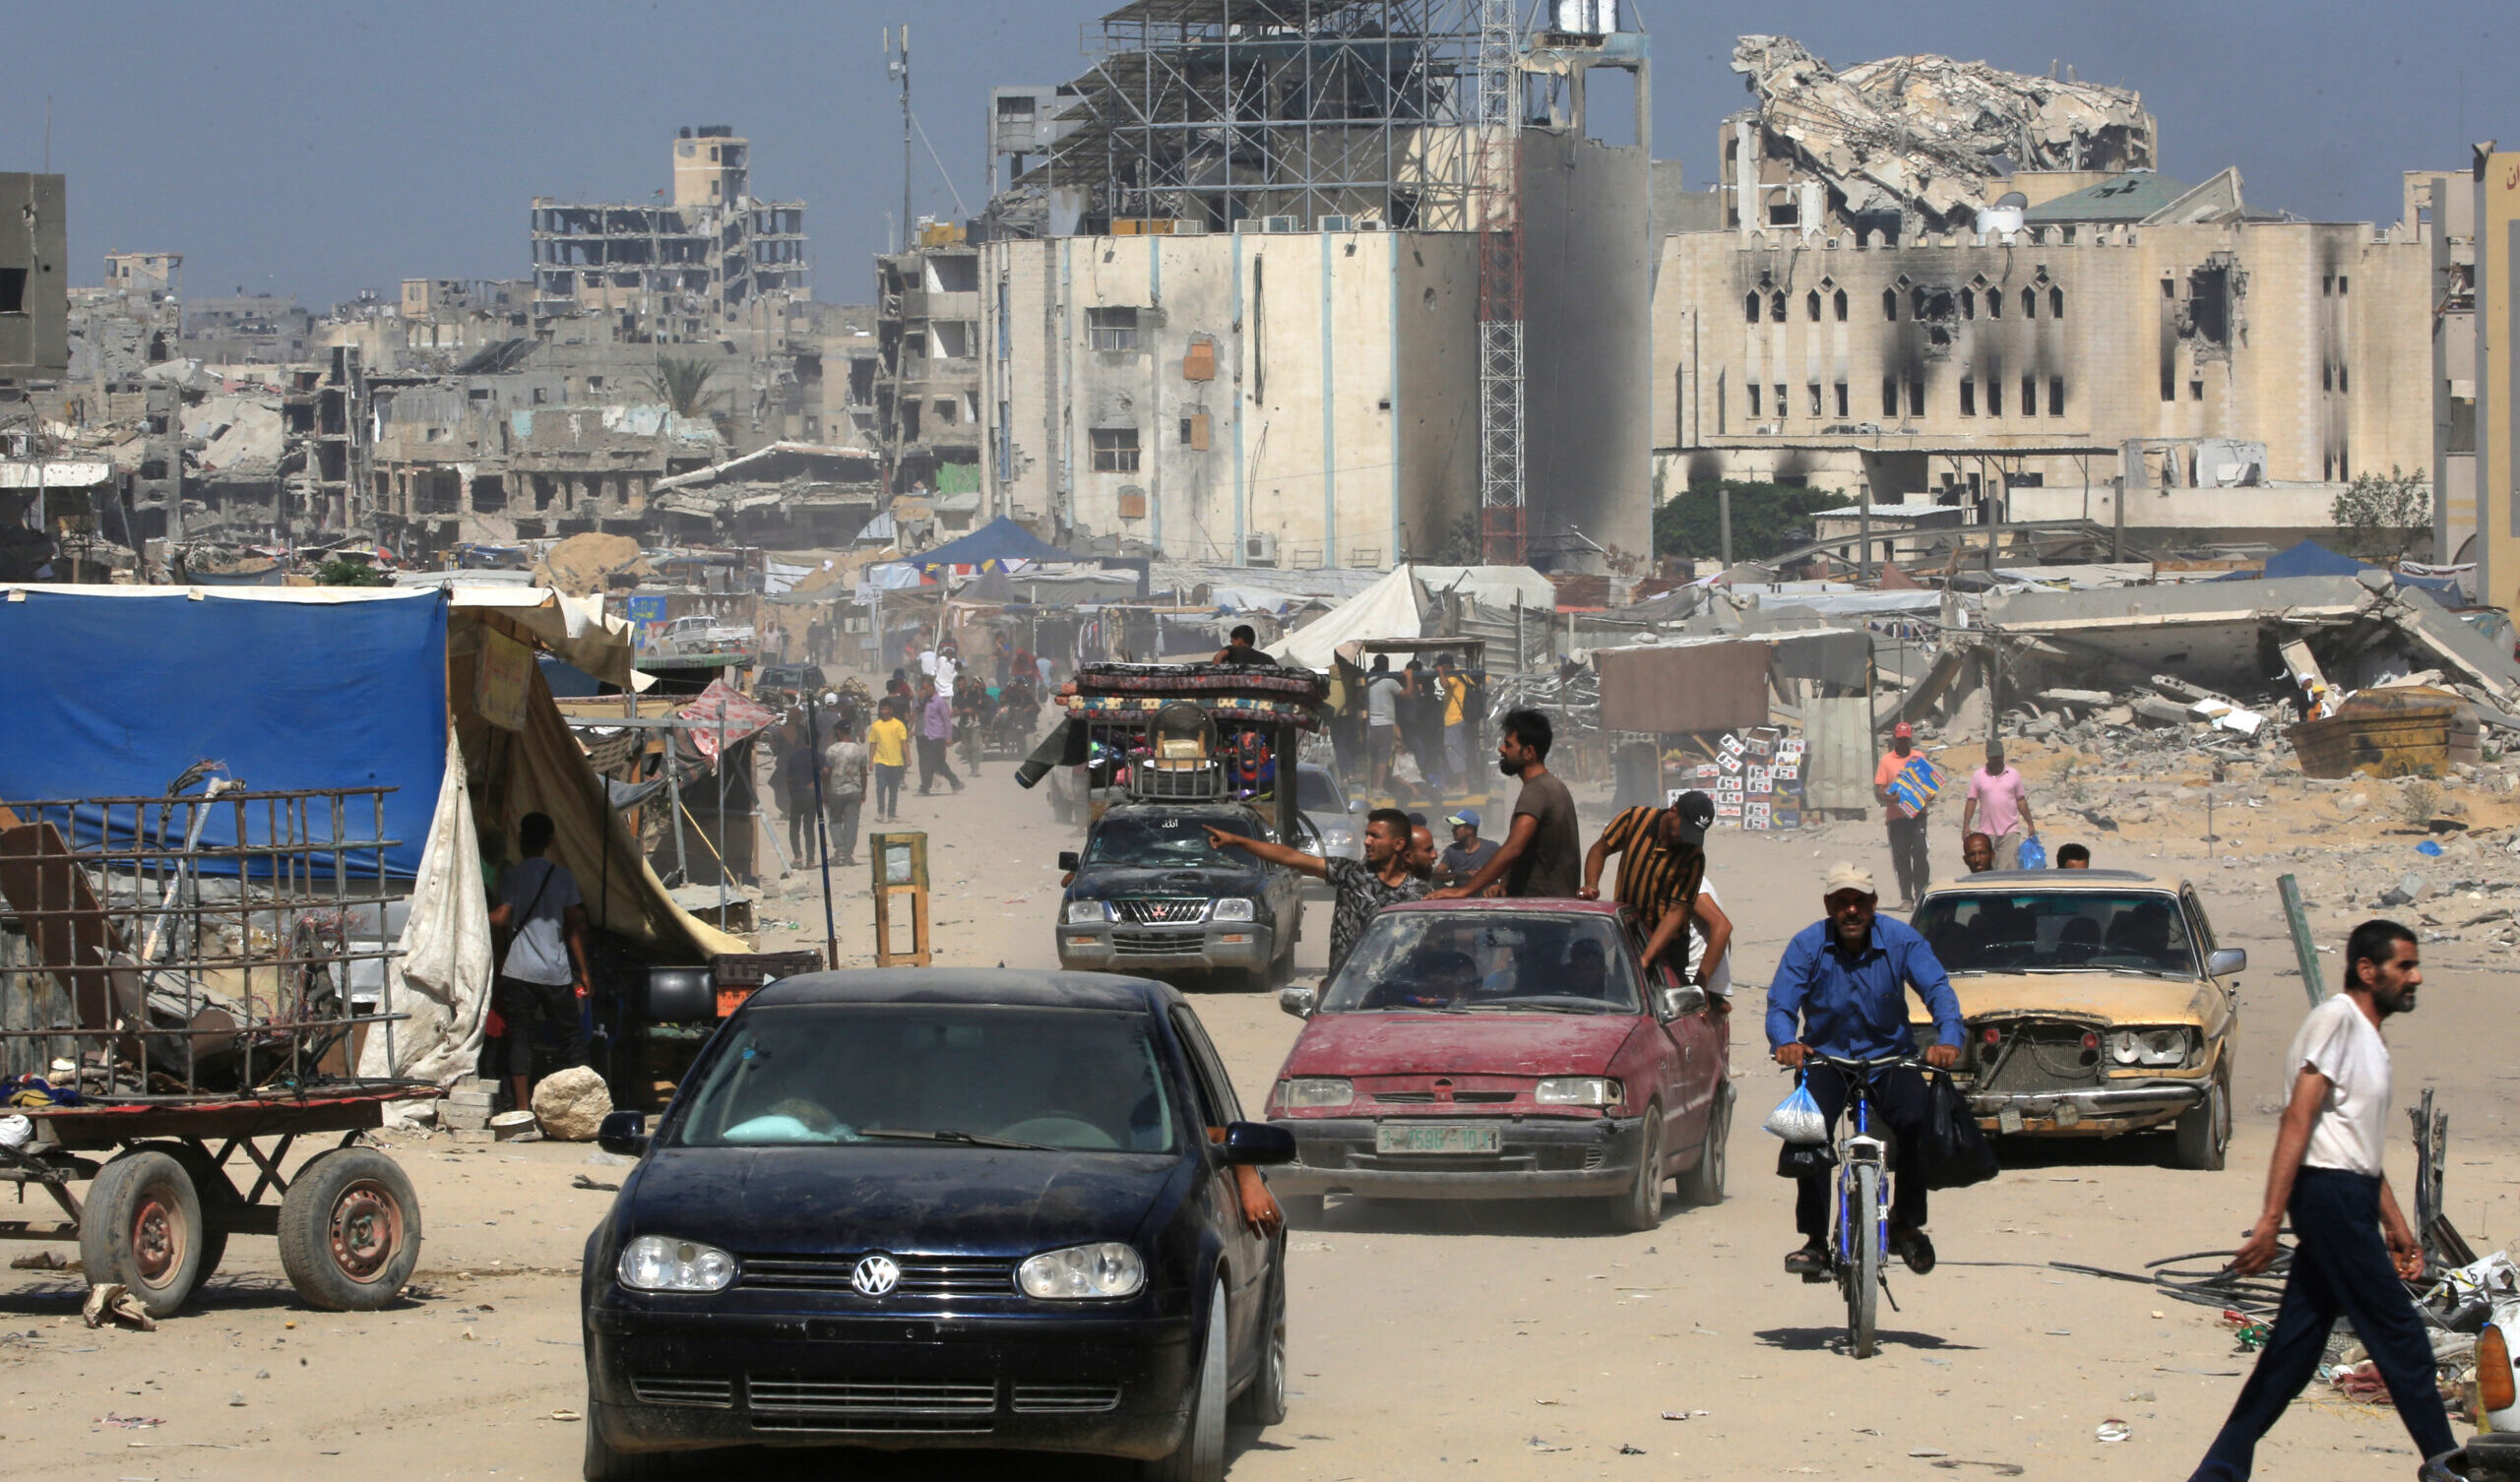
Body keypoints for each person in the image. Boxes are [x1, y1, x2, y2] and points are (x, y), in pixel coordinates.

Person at [2185, 921, 2454, 1481]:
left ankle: (2219, 1471)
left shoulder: (2368, 1037)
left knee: (2293, 1352)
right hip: (2327, 1197)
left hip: (2347, 1194)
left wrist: (2397, 1227)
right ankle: (2450, 1467)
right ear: (2366, 970)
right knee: (2403, 1342)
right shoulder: (2336, 1021)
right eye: (2404, 966)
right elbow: (2299, 1119)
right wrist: (2268, 1220)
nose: (2416, 976)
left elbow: (2358, 1148)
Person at [1767, 863, 1964, 1277]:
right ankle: (1816, 1241)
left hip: (1890, 1059)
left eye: (1859, 901)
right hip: (1827, 1058)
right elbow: (1782, 1004)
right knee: (1808, 1130)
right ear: (1829, 906)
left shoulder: (1902, 941)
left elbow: (1938, 991)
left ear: (1874, 905)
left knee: (1916, 1120)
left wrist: (1948, 1040)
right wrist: (1786, 1042)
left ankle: (1905, 1224)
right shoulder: (1807, 945)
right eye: (1842, 902)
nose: (1851, 910)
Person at [1205, 808, 1425, 978]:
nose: (1367, 842)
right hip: (1344, 991)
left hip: (1394, 993)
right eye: (1367, 835)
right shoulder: (1349, 874)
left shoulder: (1420, 894)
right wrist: (1236, 841)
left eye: (1375, 836)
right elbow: (1290, 857)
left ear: (1398, 844)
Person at [486, 812, 590, 1120]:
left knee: (520, 1039)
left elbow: (502, 918)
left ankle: (521, 1110)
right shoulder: (563, 877)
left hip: (518, 971)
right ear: (549, 841)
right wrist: (584, 971)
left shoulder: (513, 875)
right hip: (555, 973)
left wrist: (473, 912)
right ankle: (580, 1106)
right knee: (571, 1039)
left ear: (520, 839)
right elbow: (573, 927)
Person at [1580, 790, 1732, 986]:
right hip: (1628, 934)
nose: (1685, 839)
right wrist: (1592, 883)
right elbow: (1599, 850)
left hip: (1669, 946)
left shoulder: (1693, 856)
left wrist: (1646, 958)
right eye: (1683, 829)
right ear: (1673, 810)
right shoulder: (1635, 818)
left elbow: (1677, 911)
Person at [1429, 709, 1581, 899]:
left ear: (1528, 752)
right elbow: (1528, 851)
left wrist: (1463, 890)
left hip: (1540, 909)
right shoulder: (1553, 787)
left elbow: (1514, 847)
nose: (1501, 749)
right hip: (1552, 904)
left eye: (1508, 745)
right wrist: (1505, 884)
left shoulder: (1536, 790)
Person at [1875, 721, 1934, 908]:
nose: (1903, 743)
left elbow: (1930, 787)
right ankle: (1906, 898)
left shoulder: (1919, 757)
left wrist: (1926, 797)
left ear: (1910, 739)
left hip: (1918, 816)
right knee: (1901, 857)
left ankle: (1921, 893)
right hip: (1896, 818)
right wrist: (1890, 798)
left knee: (1919, 852)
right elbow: (1879, 790)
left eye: (1906, 739)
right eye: (1900, 739)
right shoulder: (1886, 761)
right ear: (1895, 739)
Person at [1960, 740, 2036, 870]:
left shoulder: (2013, 774)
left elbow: (2020, 800)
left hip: (2010, 831)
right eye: (1993, 757)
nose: (1996, 760)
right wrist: (1966, 825)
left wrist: (2030, 824)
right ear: (1987, 756)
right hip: (1986, 832)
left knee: (2008, 871)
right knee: (1988, 871)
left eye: (1999, 757)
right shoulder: (1978, 775)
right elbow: (1972, 800)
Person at [822, 719, 869, 868]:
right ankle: (848, 854)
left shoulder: (831, 750)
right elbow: (863, 773)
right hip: (855, 791)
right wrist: (863, 791)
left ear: (838, 732)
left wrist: (825, 791)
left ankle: (840, 850)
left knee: (835, 820)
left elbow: (826, 773)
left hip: (836, 791)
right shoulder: (859, 750)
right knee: (852, 822)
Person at [781, 722, 821, 865]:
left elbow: (789, 778)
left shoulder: (795, 756)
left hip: (797, 794)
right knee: (809, 828)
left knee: (794, 827)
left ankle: (798, 855)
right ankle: (811, 859)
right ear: (818, 741)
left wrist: (791, 792)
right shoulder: (818, 756)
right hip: (811, 795)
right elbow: (827, 771)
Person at [915, 678, 964, 795]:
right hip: (927, 736)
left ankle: (926, 787)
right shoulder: (925, 701)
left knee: (936, 762)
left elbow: (947, 721)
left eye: (927, 688)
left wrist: (948, 737)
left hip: (937, 737)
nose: (925, 690)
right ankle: (953, 782)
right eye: (923, 688)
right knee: (932, 762)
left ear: (932, 687)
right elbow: (918, 715)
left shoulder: (939, 701)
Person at [1363, 655, 1404, 790]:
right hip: (1385, 725)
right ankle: (1379, 788)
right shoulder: (1390, 682)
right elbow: (1408, 694)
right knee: (1383, 759)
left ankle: (1373, 787)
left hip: (1371, 726)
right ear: (1387, 666)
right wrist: (1408, 677)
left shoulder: (1368, 682)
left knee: (1374, 759)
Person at [1436, 809, 1501, 891]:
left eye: (1457, 826)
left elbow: (1506, 872)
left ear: (1470, 829)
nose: (1453, 830)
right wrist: (1463, 874)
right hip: (1461, 900)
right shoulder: (1452, 850)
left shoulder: (1491, 848)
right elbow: (1437, 875)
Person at [867, 698, 911, 822]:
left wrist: (908, 757)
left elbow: (904, 743)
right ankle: (881, 813)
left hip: (896, 762)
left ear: (891, 710)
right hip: (881, 762)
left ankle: (891, 814)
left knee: (893, 790)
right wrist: (871, 761)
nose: (884, 711)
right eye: (882, 709)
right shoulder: (876, 726)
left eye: (886, 709)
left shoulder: (899, 725)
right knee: (880, 787)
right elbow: (872, 744)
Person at [1435, 654, 1473, 791]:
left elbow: (1444, 684)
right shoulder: (1462, 675)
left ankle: (1463, 785)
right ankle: (1459, 784)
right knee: (1457, 752)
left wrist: (1440, 672)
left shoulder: (1453, 677)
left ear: (1445, 666)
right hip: (1459, 720)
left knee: (1455, 752)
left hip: (1454, 721)